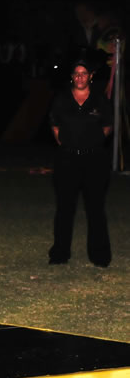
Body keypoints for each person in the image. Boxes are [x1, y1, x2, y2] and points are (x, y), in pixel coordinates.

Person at [49, 60, 113, 267]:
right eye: (76, 73)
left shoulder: (99, 99)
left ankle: (100, 256)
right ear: (72, 76)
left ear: (90, 76)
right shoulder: (62, 99)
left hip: (94, 161)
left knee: (95, 209)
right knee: (65, 209)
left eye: (84, 73)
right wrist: (69, 144)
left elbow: (106, 127)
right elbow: (55, 126)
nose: (80, 77)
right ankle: (59, 254)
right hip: (67, 160)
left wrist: (90, 143)